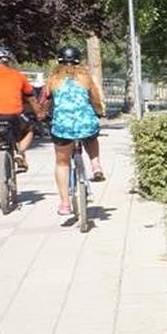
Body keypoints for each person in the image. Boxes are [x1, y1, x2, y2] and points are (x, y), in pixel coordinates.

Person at [42, 46, 106, 216]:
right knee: (91, 136)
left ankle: (64, 203)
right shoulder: (86, 77)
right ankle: (95, 164)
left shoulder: (53, 79)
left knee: (62, 163)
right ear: (79, 61)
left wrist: (43, 115)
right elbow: (95, 98)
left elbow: (45, 101)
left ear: (59, 61)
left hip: (62, 127)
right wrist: (99, 112)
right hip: (86, 123)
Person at [0, 44, 41, 197]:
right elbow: (31, 96)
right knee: (29, 129)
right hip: (13, 117)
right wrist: (38, 114)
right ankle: (20, 152)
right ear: (7, 61)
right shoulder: (18, 76)